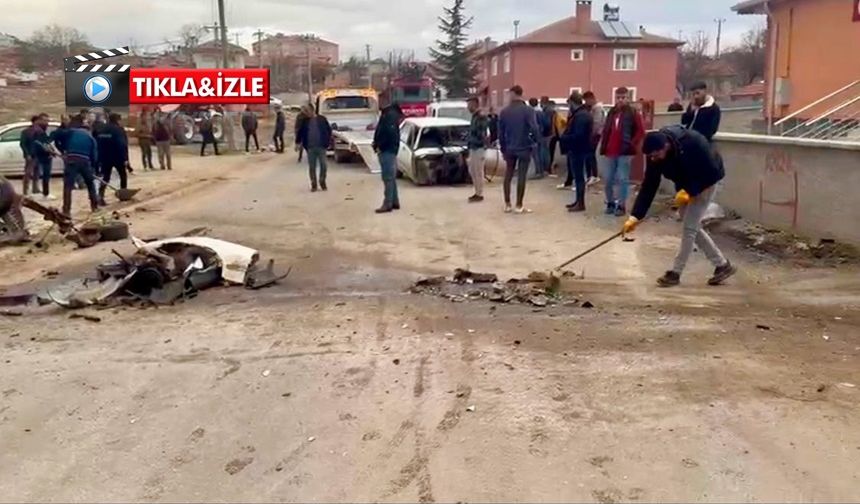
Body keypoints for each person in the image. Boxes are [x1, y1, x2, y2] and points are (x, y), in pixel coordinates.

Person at [623, 126, 736, 288]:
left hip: (706, 182)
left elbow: (711, 171)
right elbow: (649, 185)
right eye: (650, 156)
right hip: (685, 185)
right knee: (692, 226)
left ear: (666, 146)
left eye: (655, 155)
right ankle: (722, 265)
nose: (653, 159)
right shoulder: (655, 153)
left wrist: (691, 190)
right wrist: (635, 216)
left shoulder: (693, 143)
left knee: (689, 228)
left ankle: (675, 273)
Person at [600, 87, 645, 217]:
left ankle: (621, 205)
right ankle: (610, 202)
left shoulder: (633, 112)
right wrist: (604, 144)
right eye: (618, 97)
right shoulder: (612, 112)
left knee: (622, 179)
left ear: (628, 98)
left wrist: (632, 143)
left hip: (625, 151)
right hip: (610, 150)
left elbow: (640, 131)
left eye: (623, 97)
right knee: (608, 179)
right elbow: (606, 130)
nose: (620, 100)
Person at [499, 85, 539, 214]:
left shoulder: (505, 112)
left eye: (509, 94)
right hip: (524, 147)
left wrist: (503, 148)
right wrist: (536, 141)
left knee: (508, 175)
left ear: (513, 94)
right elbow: (534, 128)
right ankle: (519, 205)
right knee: (522, 176)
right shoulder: (528, 111)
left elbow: (501, 133)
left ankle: (507, 204)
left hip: (510, 147)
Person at [560, 92, 594, 213]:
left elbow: (579, 135)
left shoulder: (581, 116)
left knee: (579, 177)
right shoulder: (582, 114)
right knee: (578, 177)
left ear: (573, 103)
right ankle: (578, 201)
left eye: (569, 103)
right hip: (579, 148)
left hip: (578, 149)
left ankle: (580, 203)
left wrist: (565, 138)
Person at [60, 115, 100, 216]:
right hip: (84, 162)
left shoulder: (72, 132)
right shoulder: (91, 138)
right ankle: (94, 206)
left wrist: (64, 151)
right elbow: (94, 156)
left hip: (71, 161)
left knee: (68, 187)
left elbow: (60, 138)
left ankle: (66, 210)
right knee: (90, 184)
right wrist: (93, 168)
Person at [372, 102, 403, 213]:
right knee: (391, 177)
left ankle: (387, 203)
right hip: (389, 149)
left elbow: (389, 134)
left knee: (388, 177)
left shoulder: (389, 116)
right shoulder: (389, 114)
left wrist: (380, 145)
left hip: (387, 150)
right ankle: (394, 201)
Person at [296, 104, 332, 192]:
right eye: (305, 111)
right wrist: (297, 143)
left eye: (307, 111)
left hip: (321, 146)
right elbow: (300, 132)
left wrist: (327, 142)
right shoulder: (305, 121)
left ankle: (322, 181)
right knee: (312, 167)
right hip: (310, 147)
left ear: (312, 110)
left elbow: (328, 130)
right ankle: (314, 184)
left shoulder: (321, 119)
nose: (306, 113)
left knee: (323, 165)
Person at [95, 113, 130, 205]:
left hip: (105, 157)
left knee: (105, 177)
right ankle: (124, 194)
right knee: (123, 175)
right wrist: (125, 158)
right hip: (117, 157)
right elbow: (122, 145)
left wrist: (99, 158)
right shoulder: (118, 130)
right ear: (117, 120)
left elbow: (98, 143)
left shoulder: (102, 130)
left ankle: (100, 196)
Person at [466, 97, 490, 203]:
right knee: (472, 170)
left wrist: (481, 141)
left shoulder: (480, 117)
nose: (468, 107)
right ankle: (477, 191)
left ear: (474, 104)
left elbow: (483, 132)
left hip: (479, 147)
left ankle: (479, 193)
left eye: (469, 105)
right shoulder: (474, 117)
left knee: (478, 171)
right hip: (473, 146)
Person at [30, 113, 56, 200]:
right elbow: (42, 144)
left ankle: (40, 192)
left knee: (38, 174)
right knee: (45, 175)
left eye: (47, 121)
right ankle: (45, 193)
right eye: (45, 121)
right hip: (42, 156)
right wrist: (51, 151)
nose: (47, 123)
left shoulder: (39, 130)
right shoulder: (38, 131)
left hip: (40, 155)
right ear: (40, 120)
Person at [584, 91, 605, 186]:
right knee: (589, 155)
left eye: (586, 100)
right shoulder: (594, 108)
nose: (586, 102)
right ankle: (590, 175)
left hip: (594, 135)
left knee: (590, 155)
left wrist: (591, 134)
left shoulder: (597, 109)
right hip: (594, 134)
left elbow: (596, 123)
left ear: (591, 98)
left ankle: (593, 175)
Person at [19, 115, 40, 196]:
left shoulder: (40, 131)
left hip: (38, 155)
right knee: (28, 173)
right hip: (30, 155)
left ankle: (35, 188)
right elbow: (22, 144)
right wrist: (27, 154)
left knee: (37, 172)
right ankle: (25, 190)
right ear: (35, 121)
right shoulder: (26, 132)